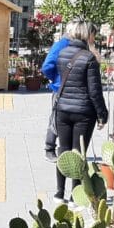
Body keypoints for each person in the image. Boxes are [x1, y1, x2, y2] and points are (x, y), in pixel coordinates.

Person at [53, 20, 108, 203]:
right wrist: (102, 114)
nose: (94, 37)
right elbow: (94, 91)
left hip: (62, 109)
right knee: (78, 153)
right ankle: (75, 194)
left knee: (63, 150)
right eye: (93, 33)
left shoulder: (62, 53)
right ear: (86, 34)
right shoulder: (89, 58)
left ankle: (59, 193)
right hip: (84, 112)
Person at [40, 33, 69, 162]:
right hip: (60, 88)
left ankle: (66, 151)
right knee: (56, 119)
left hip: (73, 89)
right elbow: (47, 67)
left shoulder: (83, 46)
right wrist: (56, 79)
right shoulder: (61, 45)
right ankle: (49, 149)